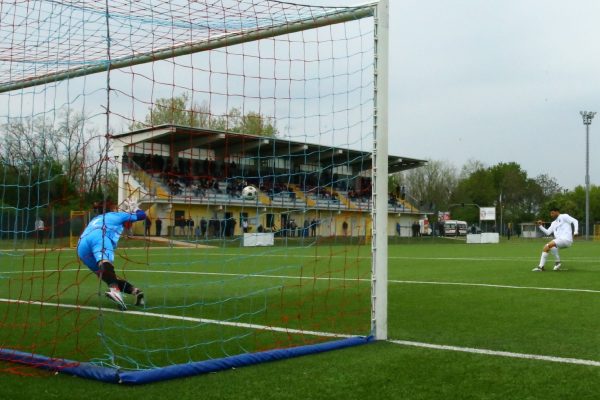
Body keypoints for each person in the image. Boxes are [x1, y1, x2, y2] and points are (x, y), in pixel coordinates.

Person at [76, 199, 146, 310]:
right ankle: (115, 291)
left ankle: (136, 291)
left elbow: (124, 224)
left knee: (107, 276)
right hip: (99, 236)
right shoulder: (119, 215)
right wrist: (135, 209)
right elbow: (142, 215)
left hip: (81, 246)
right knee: (106, 264)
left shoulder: (97, 218)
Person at [532, 207, 579, 272]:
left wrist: (575, 232)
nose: (551, 215)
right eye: (551, 213)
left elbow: (575, 221)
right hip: (560, 241)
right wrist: (540, 226)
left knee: (547, 246)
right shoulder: (553, 223)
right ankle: (557, 263)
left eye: (552, 213)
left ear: (557, 212)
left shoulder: (564, 216)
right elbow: (548, 232)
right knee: (551, 247)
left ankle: (540, 267)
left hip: (566, 239)